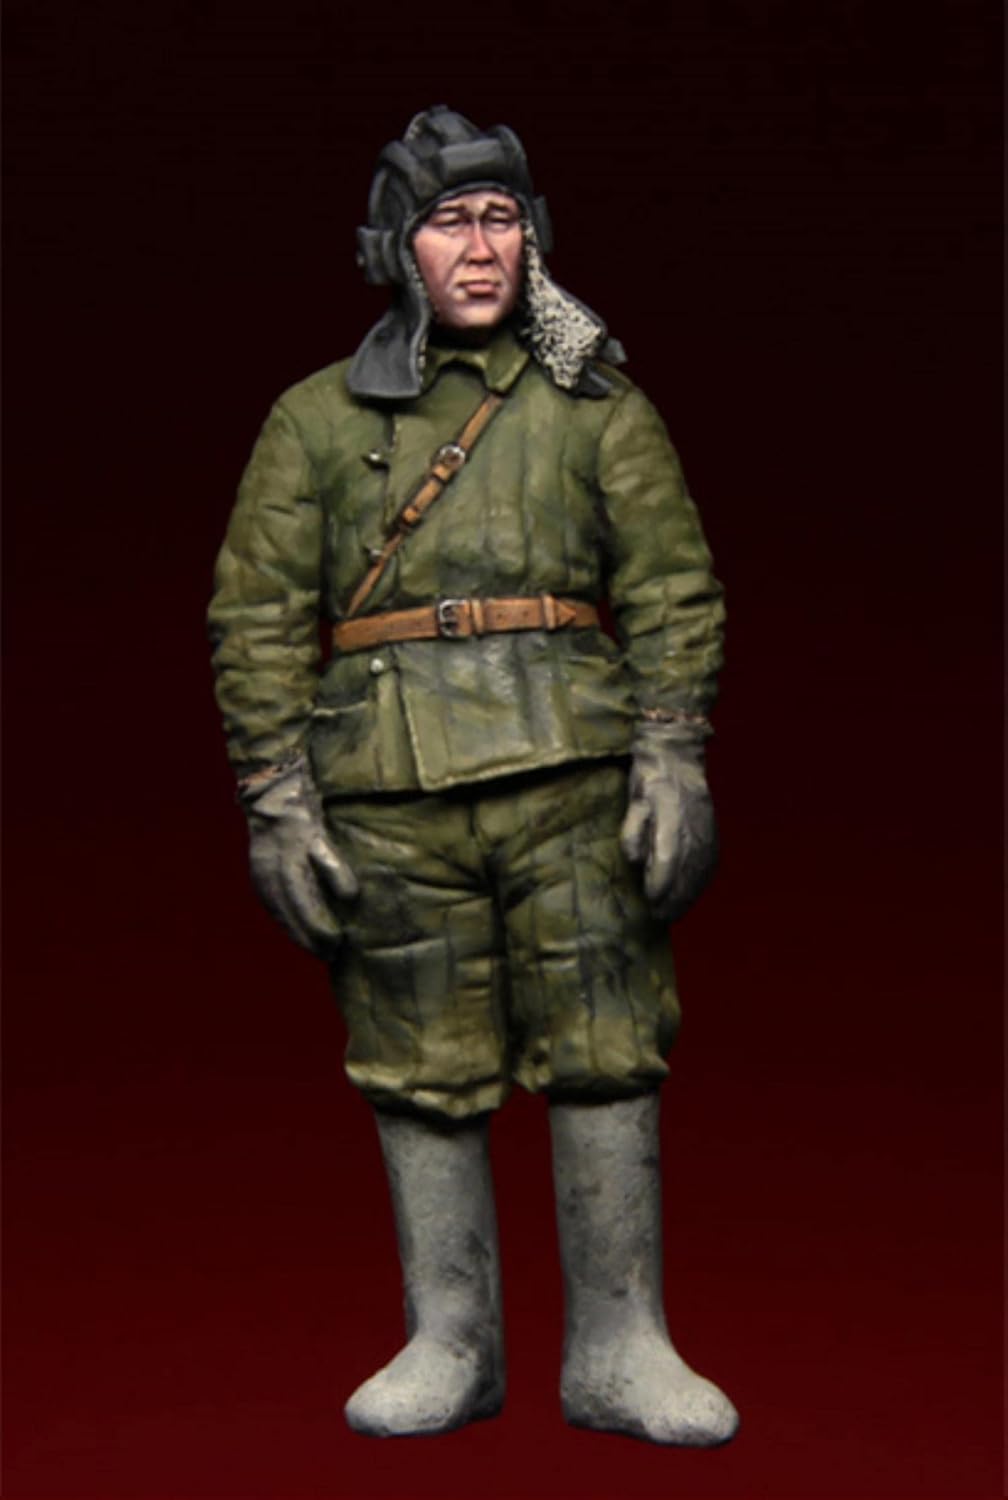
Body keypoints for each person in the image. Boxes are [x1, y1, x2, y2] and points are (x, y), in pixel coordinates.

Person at [208, 105, 739, 1446]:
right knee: (415, 1056)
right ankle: (451, 1339)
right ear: (398, 245)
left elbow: (670, 583)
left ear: (535, 236)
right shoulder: (315, 421)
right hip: (390, 792)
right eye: (450, 220)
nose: (481, 245)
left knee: (608, 1043)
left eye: (502, 217)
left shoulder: (594, 403)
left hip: (572, 774)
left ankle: (619, 1345)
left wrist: (672, 748)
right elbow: (257, 614)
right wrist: (276, 795)